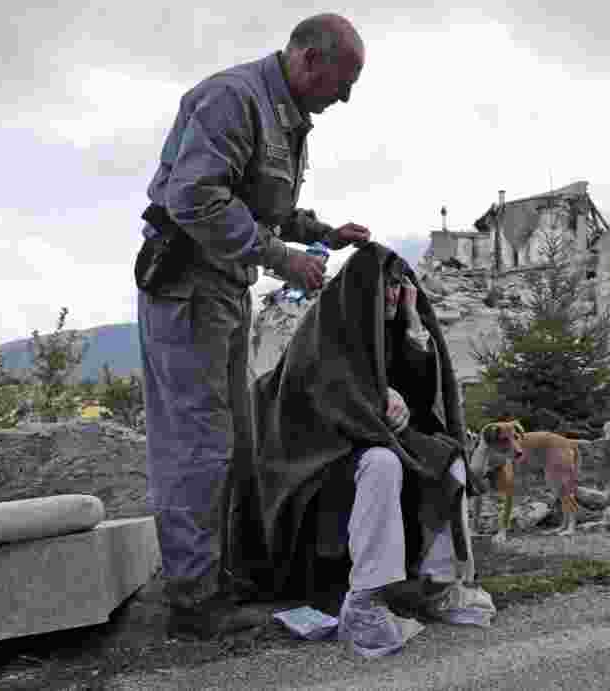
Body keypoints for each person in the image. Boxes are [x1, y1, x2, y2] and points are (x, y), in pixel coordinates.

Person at [136, 13, 371, 639]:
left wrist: (321, 234)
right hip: (187, 290)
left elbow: (265, 204)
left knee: (236, 441)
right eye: (342, 82)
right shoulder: (232, 98)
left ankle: (219, 580)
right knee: (198, 445)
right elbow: (194, 198)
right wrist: (283, 259)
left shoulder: (284, 115)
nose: (343, 97)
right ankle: (193, 604)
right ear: (307, 58)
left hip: (224, 292)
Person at [244, 243, 495, 657]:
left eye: (401, 285)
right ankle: (364, 602)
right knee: (382, 463)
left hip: (371, 444)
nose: (396, 293)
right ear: (364, 288)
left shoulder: (392, 333)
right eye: (388, 285)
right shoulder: (325, 330)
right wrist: (373, 397)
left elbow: (419, 398)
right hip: (318, 465)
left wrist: (413, 322)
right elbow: (317, 397)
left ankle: (439, 584)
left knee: (448, 458)